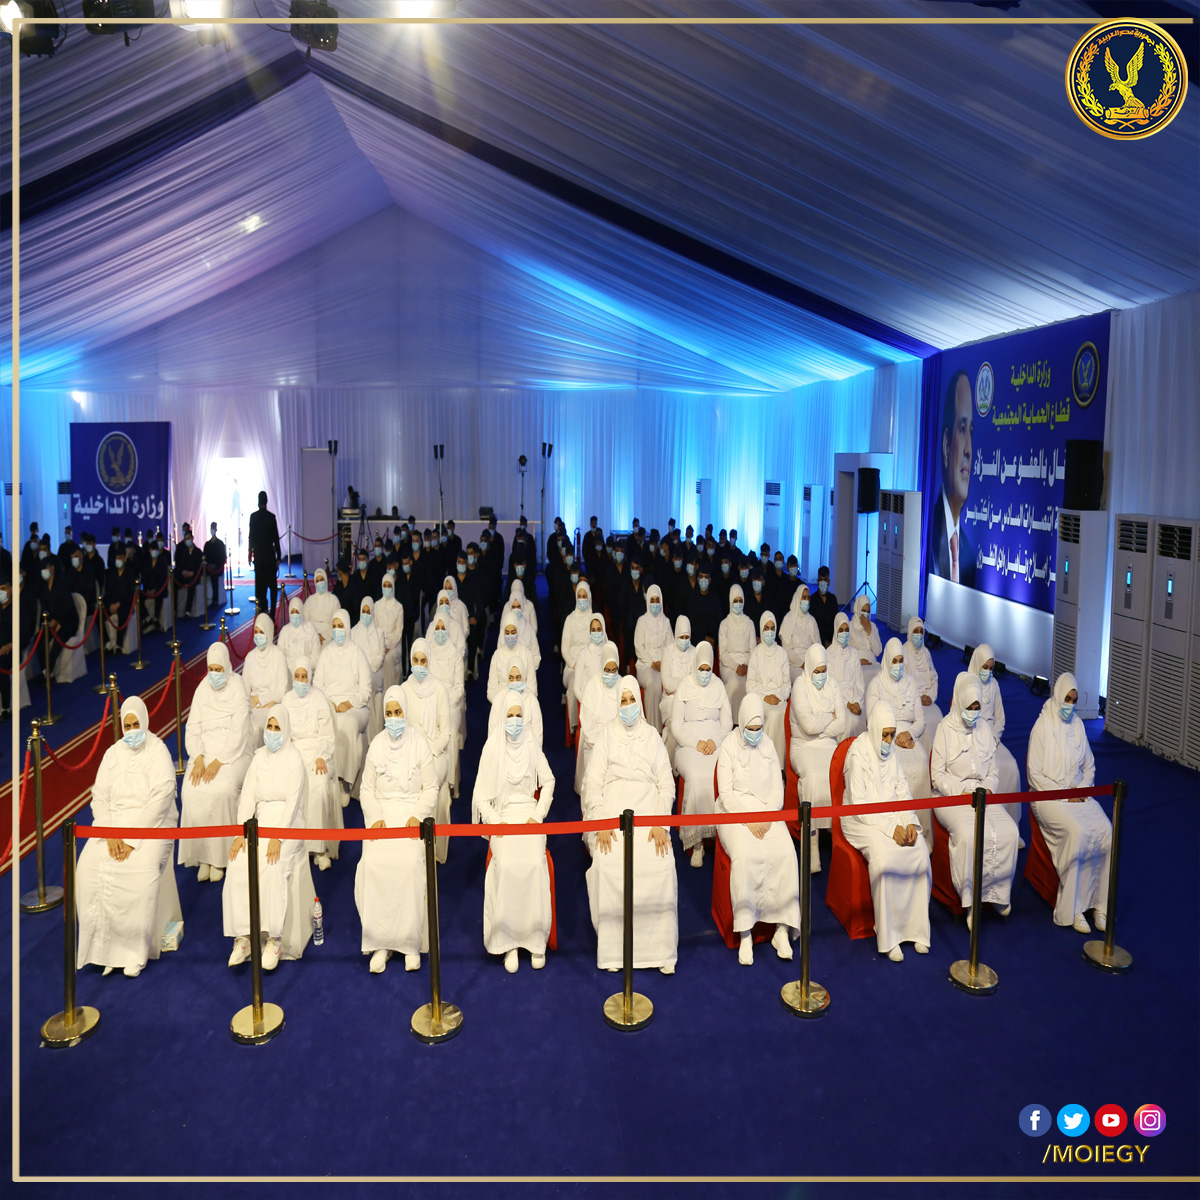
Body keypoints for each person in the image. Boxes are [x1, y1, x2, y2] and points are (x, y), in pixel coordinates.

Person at [76, 697, 180, 978]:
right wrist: (109, 831)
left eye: (136, 724)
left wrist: (132, 839)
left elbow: (161, 799)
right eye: (128, 726)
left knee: (139, 870)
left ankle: (133, 953)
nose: (133, 730)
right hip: (112, 825)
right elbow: (99, 796)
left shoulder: (157, 751)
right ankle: (102, 951)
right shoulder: (112, 754)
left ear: (144, 721)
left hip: (152, 826)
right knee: (87, 867)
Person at [584, 678, 678, 974]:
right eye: (622, 701)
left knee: (661, 862)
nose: (627, 706)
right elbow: (592, 782)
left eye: (631, 700)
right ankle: (614, 952)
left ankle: (660, 951)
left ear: (639, 700)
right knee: (609, 862)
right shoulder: (606, 735)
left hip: (648, 813)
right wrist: (601, 820)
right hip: (613, 812)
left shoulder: (652, 737)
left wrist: (660, 821)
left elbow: (666, 784)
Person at [354, 686, 439, 974]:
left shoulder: (419, 743)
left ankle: (409, 943)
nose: (393, 718)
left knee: (408, 863)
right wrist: (375, 816)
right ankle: (381, 943)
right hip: (381, 817)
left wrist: (417, 815)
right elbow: (366, 789)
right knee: (372, 863)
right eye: (389, 713)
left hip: (411, 817)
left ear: (405, 712)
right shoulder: (377, 744)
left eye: (397, 712)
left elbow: (431, 787)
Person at [841, 701, 932, 961]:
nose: (889, 741)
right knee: (884, 857)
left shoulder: (891, 753)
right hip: (859, 820)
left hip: (891, 817)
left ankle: (916, 930)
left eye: (892, 735)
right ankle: (890, 936)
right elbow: (859, 806)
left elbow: (902, 791)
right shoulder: (857, 755)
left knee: (920, 850)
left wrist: (910, 822)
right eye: (885, 735)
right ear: (874, 730)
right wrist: (892, 827)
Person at [715, 694, 800, 965]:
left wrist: (768, 815)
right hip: (734, 812)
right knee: (746, 856)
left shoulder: (769, 745)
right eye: (750, 729)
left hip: (767, 812)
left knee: (786, 853)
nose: (754, 734)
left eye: (758, 728)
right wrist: (747, 819)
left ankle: (782, 929)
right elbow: (726, 793)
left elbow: (777, 789)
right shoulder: (728, 746)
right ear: (741, 724)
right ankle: (745, 933)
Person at [476, 690, 557, 973]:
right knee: (508, 864)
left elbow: (549, 781)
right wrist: (494, 821)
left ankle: (535, 940)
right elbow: (480, 796)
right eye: (509, 715)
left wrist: (538, 815)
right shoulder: (492, 747)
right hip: (502, 817)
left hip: (529, 815)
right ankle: (508, 942)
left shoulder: (531, 743)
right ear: (502, 717)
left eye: (518, 715)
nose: (514, 721)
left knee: (534, 863)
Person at [223, 709, 309, 970]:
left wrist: (278, 837)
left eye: (277, 727)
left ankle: (274, 938)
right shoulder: (259, 757)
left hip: (288, 824)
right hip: (259, 822)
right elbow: (248, 797)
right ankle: (244, 935)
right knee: (237, 863)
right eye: (269, 727)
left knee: (273, 866)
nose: (272, 732)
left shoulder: (294, 759)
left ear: (286, 729)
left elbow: (293, 802)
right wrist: (241, 833)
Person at [931, 673, 1019, 926]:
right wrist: (959, 792)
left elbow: (993, 771)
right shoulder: (945, 728)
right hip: (951, 796)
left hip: (982, 794)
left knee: (1009, 832)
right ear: (960, 702)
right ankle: (970, 900)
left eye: (977, 707)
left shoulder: (984, 729)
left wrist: (988, 788)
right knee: (969, 836)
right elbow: (937, 775)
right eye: (969, 707)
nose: (973, 712)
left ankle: (998, 894)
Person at [1027, 673, 1111, 932]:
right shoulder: (1042, 726)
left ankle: (1100, 904)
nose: (1070, 705)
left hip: (1078, 794)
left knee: (1106, 830)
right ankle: (1073, 907)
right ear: (1057, 696)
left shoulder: (1078, 726)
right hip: (1047, 796)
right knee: (1078, 832)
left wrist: (1082, 789)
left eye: (1074, 701)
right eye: (1067, 699)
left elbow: (1089, 766)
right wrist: (1065, 794)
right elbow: (1034, 775)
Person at [179, 643, 254, 883]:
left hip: (235, 754)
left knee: (222, 790)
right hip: (204, 753)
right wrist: (198, 758)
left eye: (218, 669)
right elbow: (193, 728)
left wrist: (219, 761)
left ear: (227, 667)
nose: (214, 674)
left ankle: (221, 857)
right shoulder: (202, 689)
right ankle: (203, 856)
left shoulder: (238, 687)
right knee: (191, 790)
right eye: (211, 669)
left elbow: (239, 732)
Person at [669, 642, 733, 869]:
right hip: (689, 744)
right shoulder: (684, 686)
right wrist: (697, 744)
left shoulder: (718, 685)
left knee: (724, 773)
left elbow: (727, 724)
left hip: (716, 741)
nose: (704, 673)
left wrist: (714, 741)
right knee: (697, 777)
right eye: (701, 669)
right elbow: (676, 727)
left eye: (708, 669)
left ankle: (723, 833)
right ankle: (697, 843)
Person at [789, 644, 851, 872]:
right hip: (803, 746)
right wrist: (830, 717)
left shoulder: (832, 684)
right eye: (817, 671)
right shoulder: (800, 685)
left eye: (824, 671)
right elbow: (807, 725)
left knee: (841, 775)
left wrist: (822, 728)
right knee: (815, 778)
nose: (821, 676)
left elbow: (842, 722)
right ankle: (812, 841)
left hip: (828, 744)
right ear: (809, 668)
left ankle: (838, 833)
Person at [865, 637, 933, 843]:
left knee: (922, 763)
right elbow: (872, 722)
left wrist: (909, 735)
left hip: (909, 737)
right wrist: (895, 738)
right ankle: (896, 827)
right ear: (887, 660)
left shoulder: (911, 683)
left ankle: (921, 832)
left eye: (901, 660)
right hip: (886, 738)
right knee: (896, 770)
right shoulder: (876, 685)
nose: (898, 665)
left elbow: (920, 720)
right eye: (894, 661)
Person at [282, 657, 341, 872]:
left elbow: (327, 734)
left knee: (318, 786)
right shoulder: (286, 700)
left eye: (304, 676)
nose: (300, 681)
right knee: (292, 787)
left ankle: (319, 849)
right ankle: (297, 846)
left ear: (309, 677)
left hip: (318, 753)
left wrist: (321, 755)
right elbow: (283, 734)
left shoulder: (319, 699)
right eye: (297, 677)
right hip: (294, 753)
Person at [401, 638, 454, 861]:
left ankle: (431, 852)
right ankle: (411, 852)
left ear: (429, 661)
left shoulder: (439, 689)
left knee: (428, 785)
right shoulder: (404, 690)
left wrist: (429, 752)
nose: (419, 665)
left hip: (436, 754)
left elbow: (446, 733)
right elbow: (401, 729)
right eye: (415, 660)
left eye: (423, 661)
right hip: (410, 752)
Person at [313, 608, 373, 800]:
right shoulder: (326, 653)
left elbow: (366, 691)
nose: (337, 630)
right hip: (329, 705)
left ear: (347, 627)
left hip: (356, 708)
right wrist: (328, 702)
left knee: (346, 724)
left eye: (341, 626)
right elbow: (317, 685)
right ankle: (329, 775)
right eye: (334, 626)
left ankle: (344, 782)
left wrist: (349, 703)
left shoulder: (357, 653)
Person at [928, 369, 977, 586]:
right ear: (947, 445)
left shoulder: (969, 557)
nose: (969, 450)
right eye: (962, 428)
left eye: (971, 433)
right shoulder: (926, 535)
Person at [967, 643, 1022, 826]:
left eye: (991, 668)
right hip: (971, 735)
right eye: (984, 667)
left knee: (1011, 766)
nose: (988, 672)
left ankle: (1009, 820)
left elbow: (1000, 719)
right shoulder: (967, 683)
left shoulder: (995, 685)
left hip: (992, 737)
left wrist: (994, 737)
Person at [746, 610, 791, 765]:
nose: (770, 632)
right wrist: (765, 697)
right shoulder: (756, 653)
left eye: (772, 628)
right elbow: (750, 685)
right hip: (762, 699)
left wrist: (779, 696)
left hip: (779, 698)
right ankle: (767, 761)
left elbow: (787, 684)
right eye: (766, 628)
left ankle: (780, 763)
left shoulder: (782, 653)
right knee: (771, 715)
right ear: (761, 629)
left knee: (782, 713)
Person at [576, 642, 621, 796]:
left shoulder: (623, 685)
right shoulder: (592, 686)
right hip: (594, 744)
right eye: (607, 670)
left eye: (614, 670)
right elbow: (587, 726)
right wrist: (603, 746)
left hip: (619, 743)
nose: (611, 674)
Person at [243, 612, 289, 747]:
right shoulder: (250, 657)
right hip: (253, 707)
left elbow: (282, 692)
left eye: (261, 632)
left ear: (268, 633)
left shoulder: (278, 656)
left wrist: (259, 699)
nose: (258, 636)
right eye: (256, 632)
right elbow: (244, 692)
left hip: (273, 707)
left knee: (256, 729)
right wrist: (253, 702)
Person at [633, 584, 672, 732]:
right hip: (645, 665)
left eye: (657, 600)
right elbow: (639, 648)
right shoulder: (641, 622)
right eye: (652, 600)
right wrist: (651, 663)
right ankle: (653, 728)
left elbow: (671, 646)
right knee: (653, 683)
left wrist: (663, 663)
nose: (655, 604)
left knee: (668, 681)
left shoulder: (666, 622)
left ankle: (667, 727)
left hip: (664, 664)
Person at [904, 615, 942, 754]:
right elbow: (903, 682)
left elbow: (934, 677)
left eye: (921, 632)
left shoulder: (926, 653)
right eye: (916, 631)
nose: (919, 635)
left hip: (927, 699)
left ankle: (934, 756)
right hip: (911, 700)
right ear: (910, 632)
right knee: (921, 721)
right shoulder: (903, 652)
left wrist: (930, 696)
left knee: (938, 717)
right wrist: (918, 698)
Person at [560, 579, 595, 734]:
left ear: (589, 597)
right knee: (575, 682)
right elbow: (564, 649)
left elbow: (602, 646)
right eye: (579, 596)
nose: (581, 599)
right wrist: (575, 665)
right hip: (572, 667)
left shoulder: (594, 620)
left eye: (584, 596)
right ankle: (575, 727)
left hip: (591, 665)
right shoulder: (570, 619)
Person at [717, 583, 756, 719]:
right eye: (735, 601)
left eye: (740, 601)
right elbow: (723, 654)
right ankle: (730, 720)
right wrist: (736, 667)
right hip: (729, 665)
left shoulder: (749, 623)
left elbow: (753, 650)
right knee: (734, 684)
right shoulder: (724, 624)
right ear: (730, 601)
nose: (738, 604)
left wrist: (746, 665)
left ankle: (748, 719)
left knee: (750, 684)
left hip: (747, 664)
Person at [826, 612, 866, 738]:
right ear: (836, 631)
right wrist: (847, 704)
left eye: (847, 630)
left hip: (854, 699)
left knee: (860, 716)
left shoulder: (854, 653)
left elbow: (859, 683)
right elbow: (831, 686)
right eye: (841, 630)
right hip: (836, 700)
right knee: (848, 719)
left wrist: (857, 702)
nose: (844, 633)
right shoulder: (828, 654)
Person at [487, 656, 543, 746]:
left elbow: (537, 734)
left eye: (518, 678)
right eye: (511, 678)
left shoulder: (531, 700)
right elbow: (492, 730)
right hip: (503, 747)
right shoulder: (499, 698)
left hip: (527, 747)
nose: (514, 681)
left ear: (523, 677)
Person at [488, 613, 538, 705]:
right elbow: (491, 690)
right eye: (507, 633)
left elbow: (532, 688)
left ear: (517, 632)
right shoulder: (497, 655)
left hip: (524, 704)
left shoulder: (527, 654)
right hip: (501, 704)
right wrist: (502, 705)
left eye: (513, 632)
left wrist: (520, 705)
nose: (510, 636)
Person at [248, 490, 282, 621]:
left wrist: (250, 553)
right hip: (269, 557)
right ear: (266, 501)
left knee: (260, 587)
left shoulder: (253, 517)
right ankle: (272, 613)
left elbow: (251, 537)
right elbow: (276, 539)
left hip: (259, 557)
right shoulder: (271, 517)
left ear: (258, 502)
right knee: (272, 586)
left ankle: (262, 610)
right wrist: (278, 557)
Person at [780, 584, 820, 684]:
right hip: (794, 665)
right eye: (804, 597)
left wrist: (812, 663)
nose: (806, 601)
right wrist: (802, 663)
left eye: (808, 598)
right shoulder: (788, 619)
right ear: (798, 598)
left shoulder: (812, 620)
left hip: (811, 662)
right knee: (803, 681)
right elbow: (787, 651)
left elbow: (818, 646)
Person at [278, 595, 321, 684]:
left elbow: (316, 658)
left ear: (301, 612)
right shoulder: (284, 631)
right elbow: (279, 658)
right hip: (288, 676)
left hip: (307, 675)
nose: (294, 615)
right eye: (292, 612)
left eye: (297, 612)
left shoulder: (310, 629)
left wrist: (302, 668)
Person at [102, 545, 137, 655]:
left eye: (120, 558)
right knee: (99, 615)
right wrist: (111, 605)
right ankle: (107, 642)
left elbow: (130, 594)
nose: (118, 561)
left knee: (123, 614)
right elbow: (107, 592)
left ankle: (118, 644)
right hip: (112, 604)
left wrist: (119, 604)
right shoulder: (111, 574)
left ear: (125, 559)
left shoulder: (130, 574)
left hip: (125, 604)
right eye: (116, 558)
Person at [375, 571, 407, 689]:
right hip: (379, 644)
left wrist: (388, 646)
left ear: (393, 587)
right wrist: (383, 646)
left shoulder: (399, 607)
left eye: (389, 586)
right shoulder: (376, 606)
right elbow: (375, 630)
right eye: (385, 586)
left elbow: (398, 633)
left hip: (395, 646)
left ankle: (389, 692)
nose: (387, 588)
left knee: (388, 659)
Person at [848, 595, 883, 687]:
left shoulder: (873, 627)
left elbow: (877, 651)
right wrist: (858, 661)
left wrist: (869, 630)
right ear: (858, 609)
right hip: (856, 665)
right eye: (863, 611)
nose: (865, 614)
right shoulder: (850, 627)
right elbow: (845, 652)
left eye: (868, 611)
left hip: (872, 666)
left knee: (880, 672)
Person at [303, 567, 339, 647]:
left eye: (321, 580)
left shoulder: (334, 600)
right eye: (317, 581)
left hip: (328, 638)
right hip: (311, 636)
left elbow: (336, 622)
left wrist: (324, 636)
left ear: (325, 580)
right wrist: (314, 636)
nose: (320, 583)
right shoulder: (310, 600)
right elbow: (305, 621)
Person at [173, 525, 205, 617]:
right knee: (174, 584)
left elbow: (200, 567)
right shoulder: (184, 552)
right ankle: (175, 609)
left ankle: (188, 610)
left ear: (192, 538)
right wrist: (183, 572)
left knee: (191, 585)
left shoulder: (198, 552)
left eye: (189, 538)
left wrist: (192, 573)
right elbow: (180, 565)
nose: (187, 540)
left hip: (194, 576)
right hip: (184, 575)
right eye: (186, 539)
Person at [203, 522, 227, 608]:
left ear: (216, 529)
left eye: (213, 528)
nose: (212, 530)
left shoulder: (220, 543)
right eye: (211, 528)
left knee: (214, 577)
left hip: (217, 567)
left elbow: (222, 558)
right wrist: (208, 565)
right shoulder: (207, 544)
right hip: (208, 567)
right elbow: (204, 556)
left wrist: (215, 565)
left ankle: (215, 599)